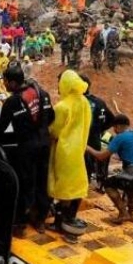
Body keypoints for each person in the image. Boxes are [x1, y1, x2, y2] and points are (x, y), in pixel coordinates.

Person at [0, 62, 54, 233]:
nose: (3, 85)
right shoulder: (43, 94)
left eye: (4, 81)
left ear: (12, 83)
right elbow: (51, 117)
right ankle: (40, 220)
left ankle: (19, 224)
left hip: (27, 149)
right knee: (42, 182)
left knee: (26, 184)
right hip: (44, 146)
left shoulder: (13, 101)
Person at [87, 114, 133, 223]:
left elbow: (100, 157)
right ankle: (132, 213)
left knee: (108, 184)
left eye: (114, 128)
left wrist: (85, 146)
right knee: (129, 183)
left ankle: (123, 213)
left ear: (117, 126)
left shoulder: (120, 137)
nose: (114, 131)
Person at [48, 69, 91, 238]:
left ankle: (59, 223)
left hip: (64, 151)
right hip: (79, 148)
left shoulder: (62, 106)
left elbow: (54, 131)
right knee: (76, 185)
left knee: (63, 187)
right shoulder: (84, 102)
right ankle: (69, 218)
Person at [80, 75, 112, 185]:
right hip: (96, 138)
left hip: (84, 140)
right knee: (97, 166)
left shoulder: (82, 102)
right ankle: (100, 185)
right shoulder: (99, 101)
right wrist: (99, 129)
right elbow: (111, 119)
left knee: (85, 166)